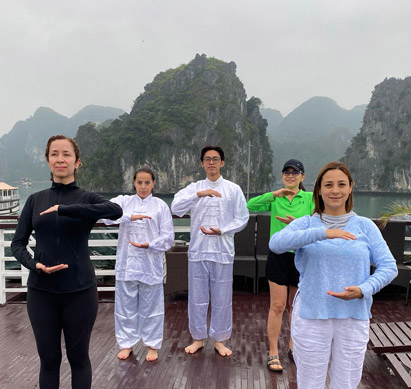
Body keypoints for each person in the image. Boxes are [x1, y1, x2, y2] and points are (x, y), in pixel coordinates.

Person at [269, 162, 397, 389]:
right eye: (328, 185)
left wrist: (364, 289)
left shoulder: (365, 226)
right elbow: (276, 244)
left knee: (345, 388)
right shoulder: (306, 223)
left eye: (341, 184)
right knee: (310, 387)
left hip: (353, 318)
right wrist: (324, 232)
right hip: (312, 315)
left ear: (350, 188)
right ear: (319, 190)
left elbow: (388, 266)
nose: (335, 190)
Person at [11, 135, 123, 389]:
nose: (60, 159)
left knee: (78, 357)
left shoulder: (86, 198)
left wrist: (67, 209)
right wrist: (34, 264)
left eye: (66, 154)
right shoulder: (35, 200)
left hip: (80, 291)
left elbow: (115, 210)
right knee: (48, 360)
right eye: (54, 154)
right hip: (42, 292)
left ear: (77, 161)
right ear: (48, 159)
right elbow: (17, 243)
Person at [171, 145, 249, 357]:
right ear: (202, 163)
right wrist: (199, 194)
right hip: (198, 251)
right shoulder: (194, 188)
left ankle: (220, 340)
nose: (211, 162)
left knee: (222, 298)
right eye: (207, 159)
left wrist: (223, 230)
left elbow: (242, 218)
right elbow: (175, 208)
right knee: (197, 297)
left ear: (222, 163)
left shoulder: (233, 189)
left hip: (222, 251)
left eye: (215, 159)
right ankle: (198, 338)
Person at [247, 159, 313, 372]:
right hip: (278, 256)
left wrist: (296, 225)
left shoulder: (310, 198)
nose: (290, 175)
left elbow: (319, 222)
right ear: (283, 176)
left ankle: (294, 347)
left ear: (302, 176)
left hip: (301, 256)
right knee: (277, 306)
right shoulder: (276, 198)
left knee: (296, 306)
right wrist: (273, 195)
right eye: (287, 172)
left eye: (295, 172)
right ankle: (273, 352)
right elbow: (249, 206)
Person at [103, 168, 174, 362]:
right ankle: (126, 343)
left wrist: (149, 244)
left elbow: (168, 237)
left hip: (150, 263)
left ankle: (152, 345)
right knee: (125, 306)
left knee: (152, 306)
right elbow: (106, 216)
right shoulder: (124, 202)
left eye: (147, 182)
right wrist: (128, 217)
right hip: (127, 263)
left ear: (153, 183)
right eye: (139, 182)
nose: (143, 186)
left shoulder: (160, 206)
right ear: (134, 183)